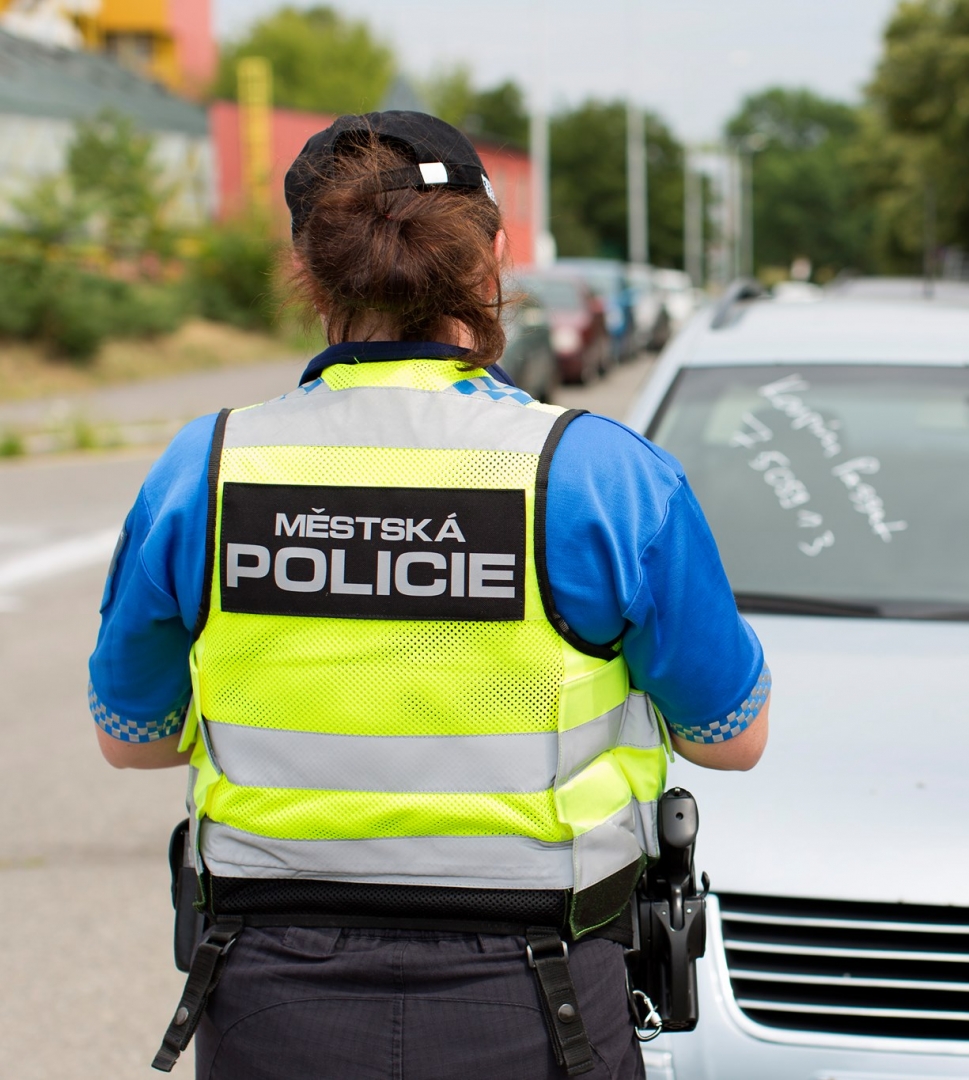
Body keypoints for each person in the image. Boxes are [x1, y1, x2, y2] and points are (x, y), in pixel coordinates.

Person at [87, 112, 770, 1080]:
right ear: (494, 261)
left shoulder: (205, 471)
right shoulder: (598, 478)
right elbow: (731, 735)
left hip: (271, 1002)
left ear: (310, 273)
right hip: (544, 1007)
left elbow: (132, 736)